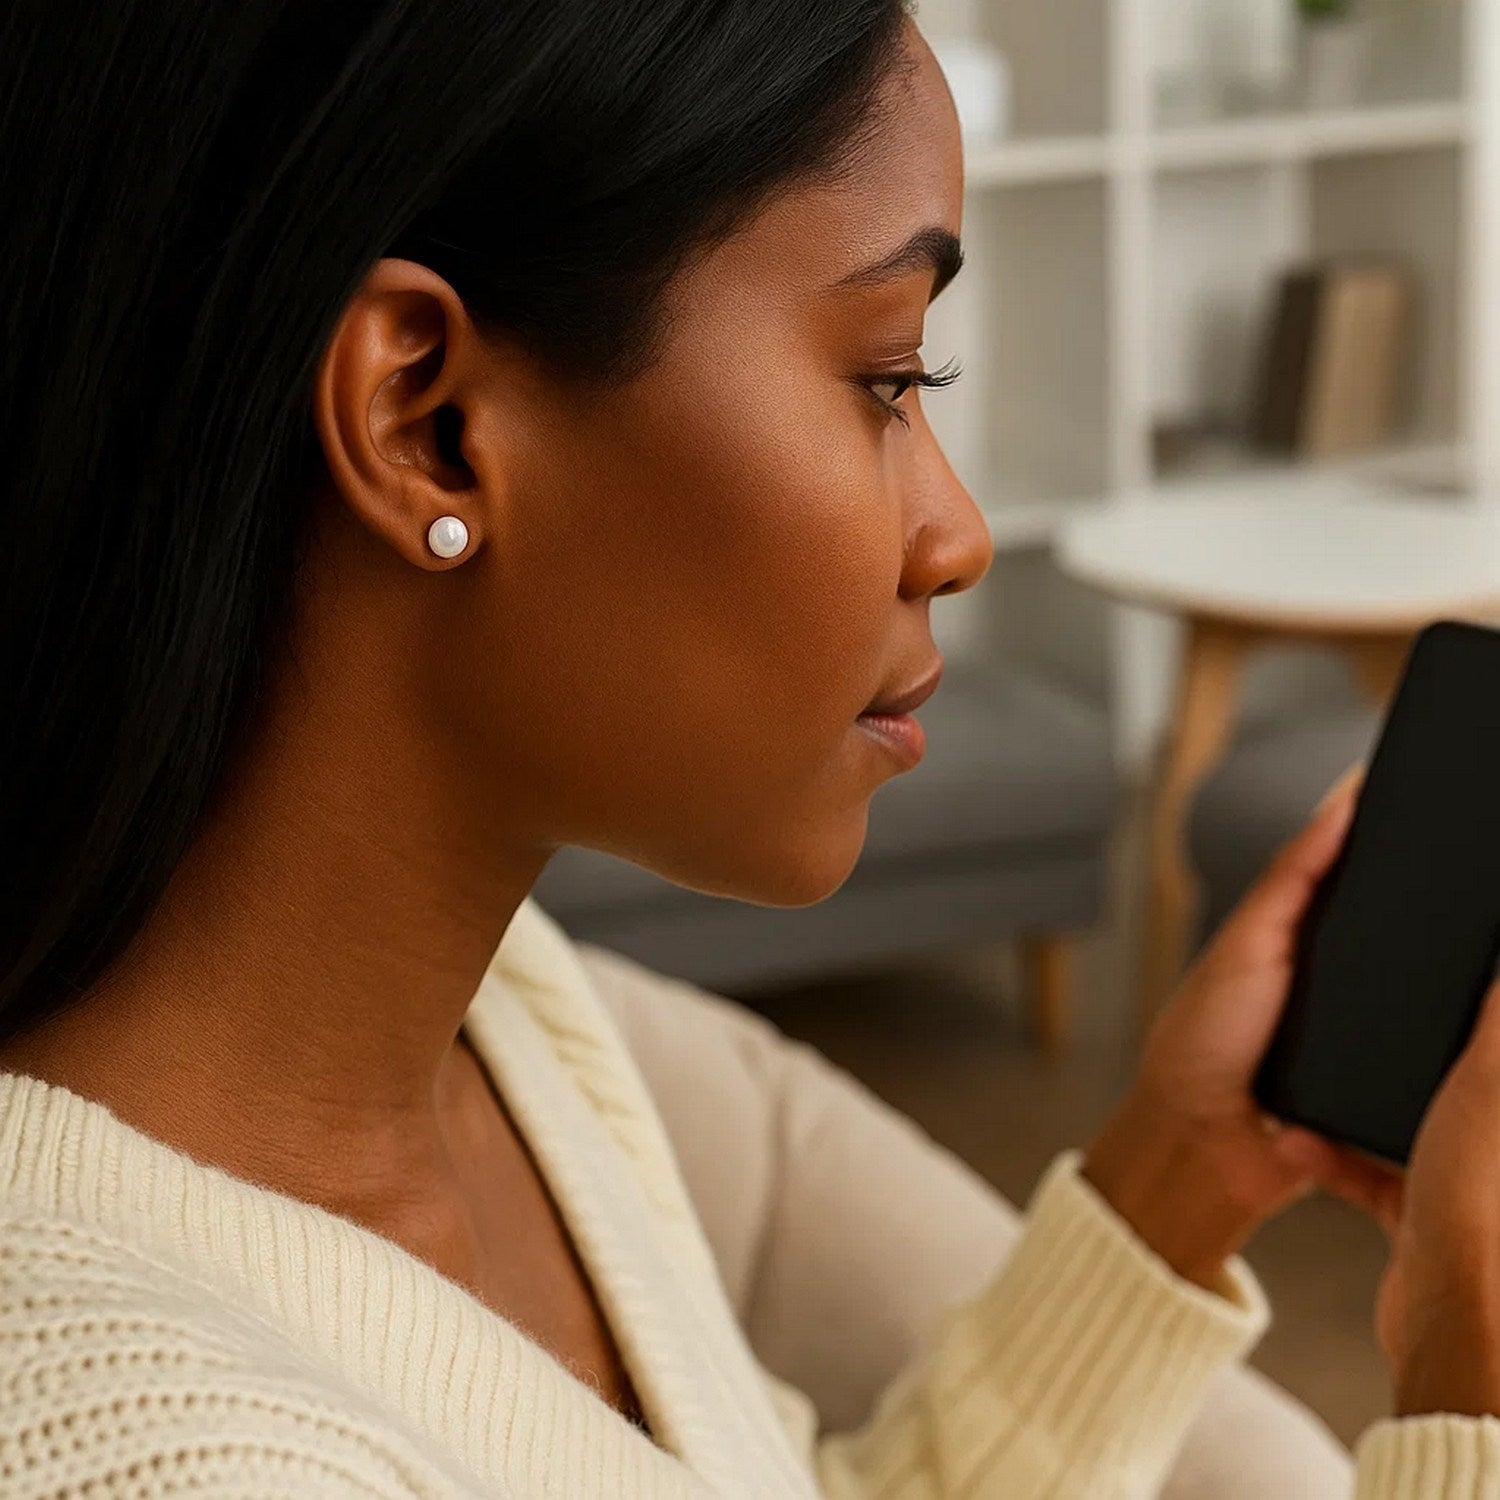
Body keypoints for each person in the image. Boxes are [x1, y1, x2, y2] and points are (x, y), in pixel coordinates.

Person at [0, 1, 1496, 1494]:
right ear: (427, 420)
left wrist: (1185, 1175)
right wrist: (1472, 1380)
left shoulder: (502, 1021)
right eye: (893, 379)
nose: (958, 536)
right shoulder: (141, 1453)